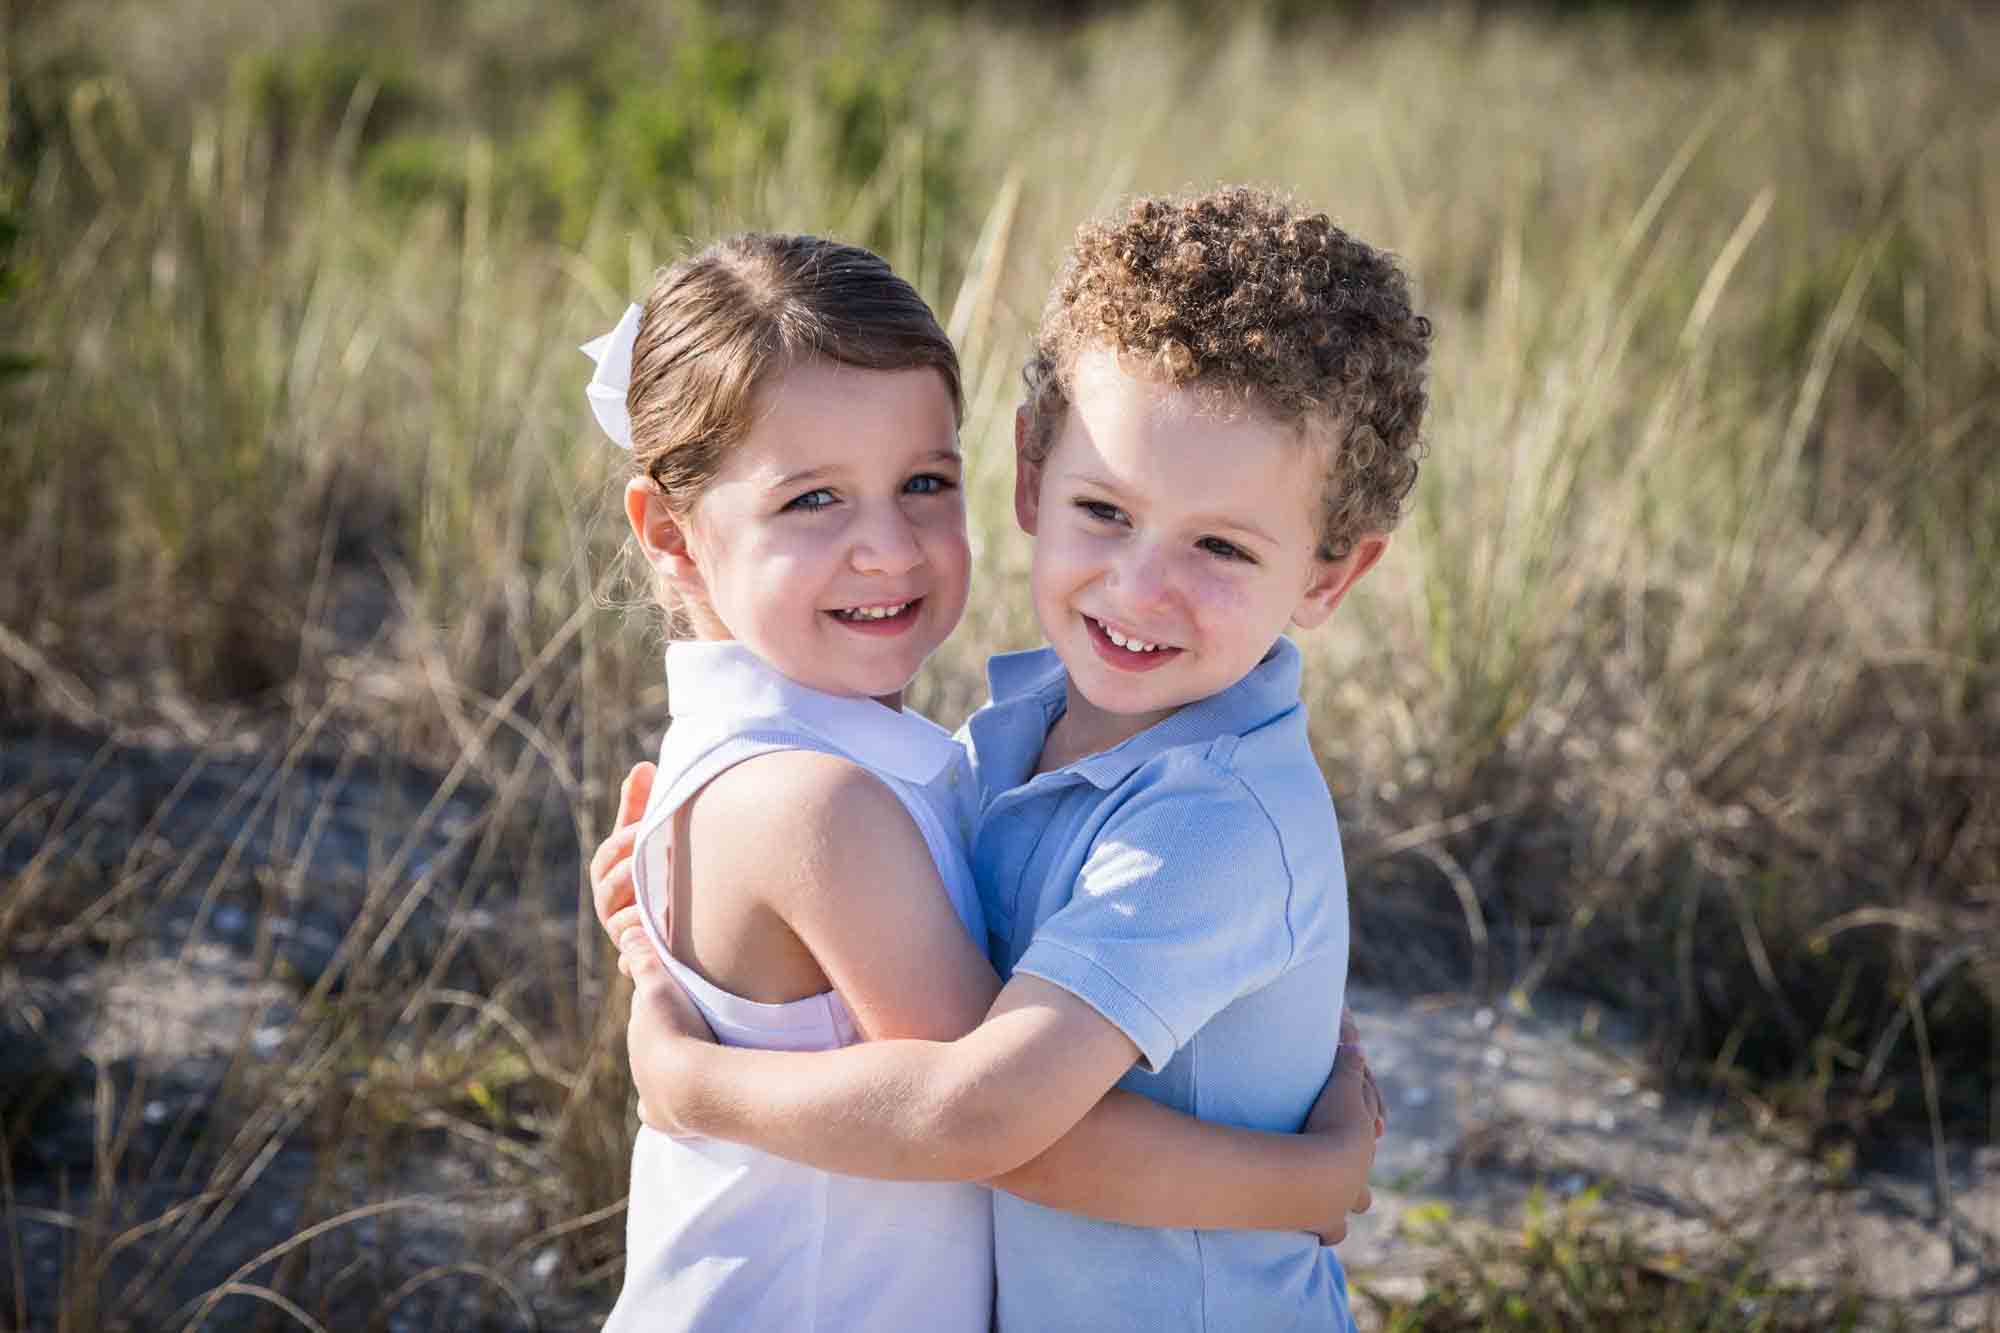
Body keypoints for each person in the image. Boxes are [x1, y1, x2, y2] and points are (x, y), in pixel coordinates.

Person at [584, 227, 1392, 1333]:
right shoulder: (845, 793)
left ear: (1330, 570)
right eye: (813, 499)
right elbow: (985, 1118)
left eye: (921, 483)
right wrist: (1313, 1182)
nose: (888, 548)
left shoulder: (946, 753)